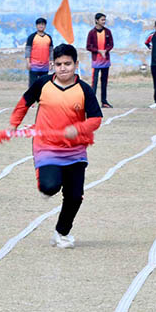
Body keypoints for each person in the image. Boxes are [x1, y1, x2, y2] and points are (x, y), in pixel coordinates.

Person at [8, 43, 103, 249]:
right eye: (59, 64)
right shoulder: (43, 84)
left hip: (75, 150)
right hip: (47, 146)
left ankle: (61, 233)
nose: (63, 68)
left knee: (75, 196)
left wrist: (78, 129)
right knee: (50, 186)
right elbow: (24, 102)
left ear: (76, 64)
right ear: (53, 65)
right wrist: (15, 123)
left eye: (67, 64)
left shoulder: (84, 89)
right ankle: (43, 181)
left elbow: (96, 119)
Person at [86, 13, 114, 107]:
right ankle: (92, 102)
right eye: (102, 20)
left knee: (104, 82)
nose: (104, 21)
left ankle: (104, 101)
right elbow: (88, 46)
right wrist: (98, 51)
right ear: (97, 20)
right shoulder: (91, 33)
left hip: (105, 61)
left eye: (105, 20)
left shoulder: (108, 32)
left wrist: (106, 50)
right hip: (96, 62)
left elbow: (111, 44)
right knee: (94, 82)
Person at [25, 17, 53, 87]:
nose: (41, 26)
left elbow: (51, 50)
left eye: (42, 24)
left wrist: (51, 62)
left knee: (44, 84)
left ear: (45, 26)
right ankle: (32, 97)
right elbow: (28, 50)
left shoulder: (48, 37)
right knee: (32, 85)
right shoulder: (32, 37)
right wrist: (28, 62)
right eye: (39, 24)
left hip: (45, 65)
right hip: (34, 65)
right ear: (36, 26)